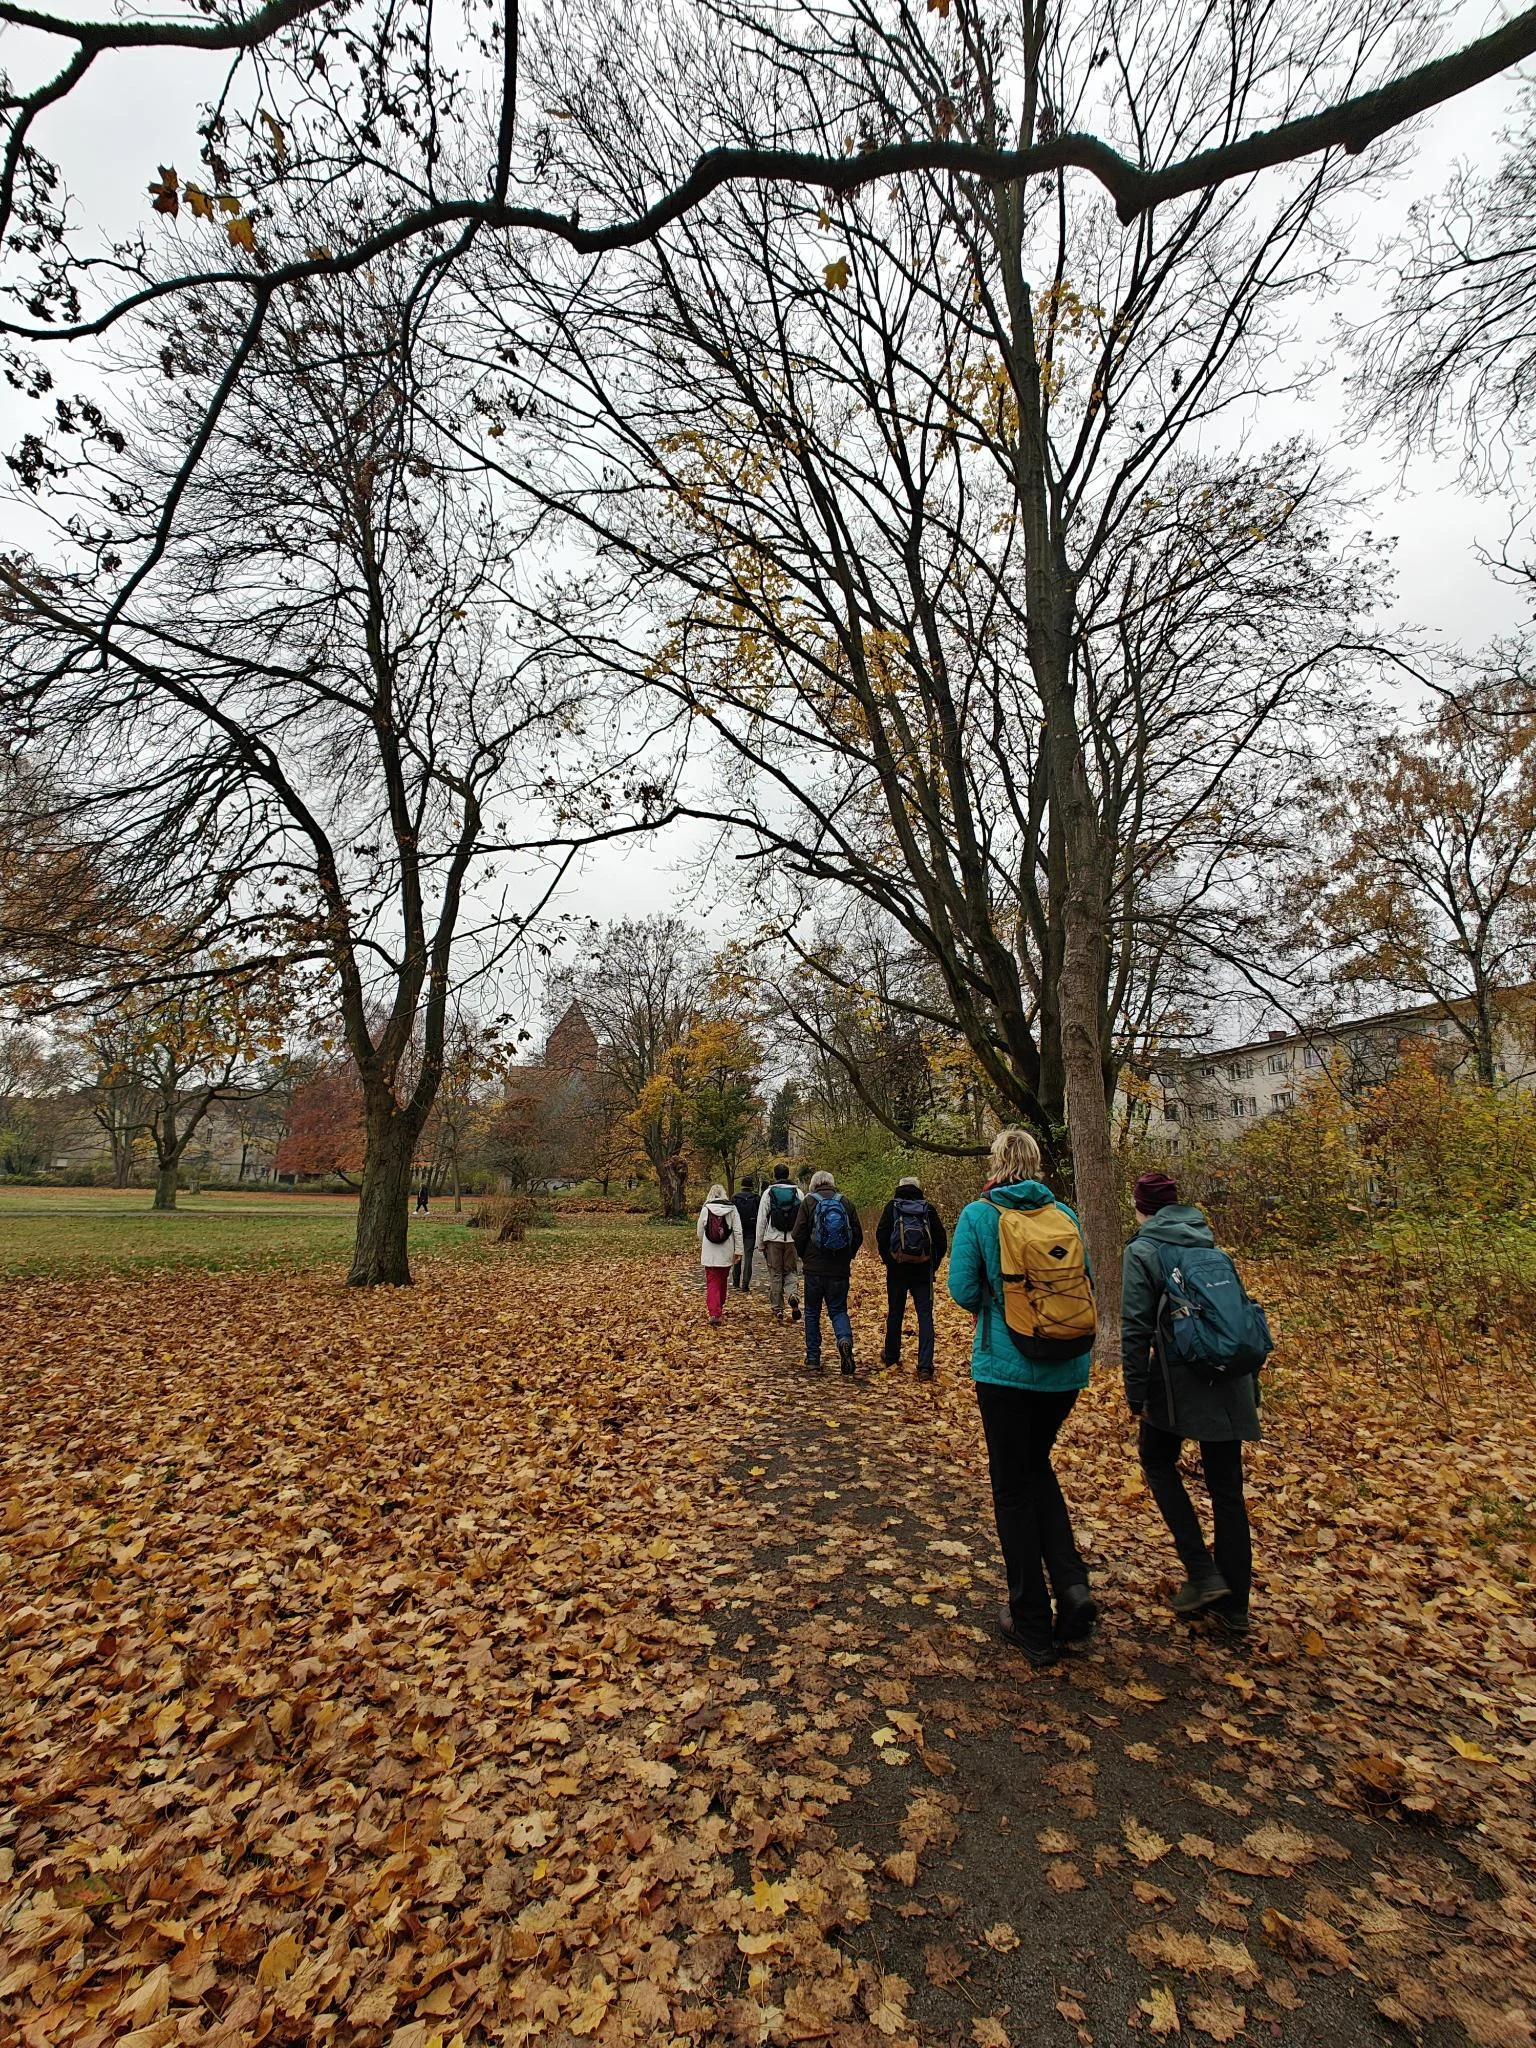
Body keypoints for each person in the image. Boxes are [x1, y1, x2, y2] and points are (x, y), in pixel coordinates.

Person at [947, 1128, 1097, 1668]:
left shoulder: (979, 1215)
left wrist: (999, 1301)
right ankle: (1073, 1588)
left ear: (996, 1162)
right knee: (1037, 1468)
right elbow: (1085, 1283)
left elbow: (963, 1290)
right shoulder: (1064, 1214)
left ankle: (1030, 1620)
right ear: (1035, 1163)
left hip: (1006, 1371)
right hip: (1066, 1367)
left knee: (1012, 1488)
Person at [1122, 1169, 1260, 1637]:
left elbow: (1135, 1326)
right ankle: (1235, 1608)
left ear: (1141, 1207)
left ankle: (1201, 1570)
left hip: (1179, 1380)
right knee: (1227, 1490)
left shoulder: (1143, 1250)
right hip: (1231, 1378)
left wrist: (1135, 1390)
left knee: (1156, 1460)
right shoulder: (1210, 1246)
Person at [792, 1169, 863, 1375]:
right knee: (838, 1310)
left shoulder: (808, 1202)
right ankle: (844, 1340)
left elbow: (798, 1234)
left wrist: (805, 1257)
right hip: (839, 1270)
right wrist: (847, 1256)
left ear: (814, 1184)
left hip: (814, 1270)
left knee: (812, 1313)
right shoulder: (845, 1202)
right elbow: (857, 1234)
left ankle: (813, 1358)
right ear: (832, 1183)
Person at [875, 1175, 947, 1378]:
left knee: (895, 1312)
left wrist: (889, 1261)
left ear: (899, 1188)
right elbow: (941, 1241)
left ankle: (891, 1356)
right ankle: (925, 1366)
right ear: (918, 1189)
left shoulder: (892, 1207)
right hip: (923, 1272)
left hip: (897, 1271)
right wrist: (932, 1265)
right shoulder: (928, 1209)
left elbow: (881, 1236)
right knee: (925, 1316)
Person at [755, 1164, 803, 1323]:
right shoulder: (798, 1192)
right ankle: (793, 1294)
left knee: (775, 1273)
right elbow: (803, 1219)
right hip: (792, 1240)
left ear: (775, 1176)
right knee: (791, 1271)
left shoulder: (768, 1193)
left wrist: (760, 1243)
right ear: (788, 1174)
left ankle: (778, 1308)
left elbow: (762, 1219)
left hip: (773, 1239)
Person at [696, 1182, 744, 1325]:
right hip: (726, 1251)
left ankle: (714, 1312)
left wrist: (704, 1242)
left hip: (710, 1252)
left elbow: (700, 1232)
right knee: (722, 1280)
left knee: (712, 1281)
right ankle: (719, 1306)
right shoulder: (732, 1209)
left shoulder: (706, 1209)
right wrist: (738, 1250)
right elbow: (738, 1231)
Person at [732, 1176, 759, 1291]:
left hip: (738, 1229)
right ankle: (745, 1283)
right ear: (751, 1186)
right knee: (748, 1256)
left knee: (737, 1253)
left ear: (741, 1185)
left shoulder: (735, 1197)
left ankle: (735, 1281)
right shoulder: (756, 1198)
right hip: (751, 1229)